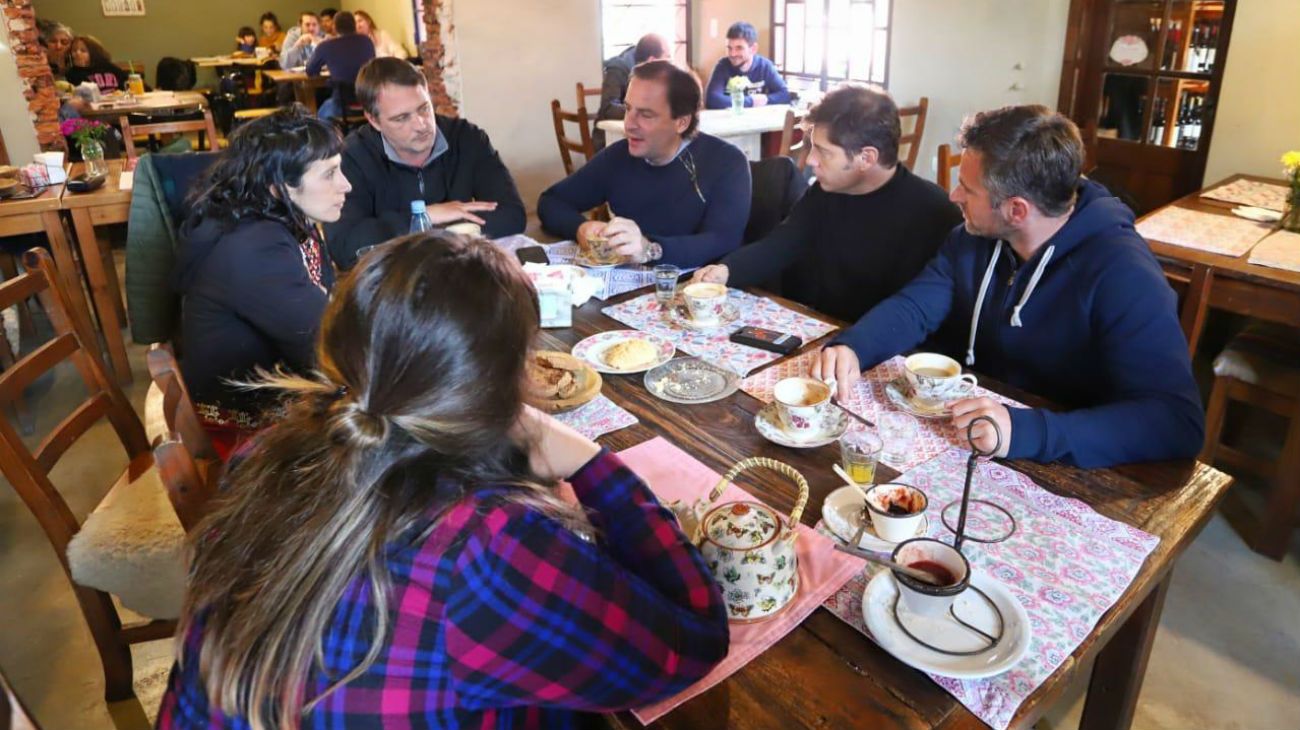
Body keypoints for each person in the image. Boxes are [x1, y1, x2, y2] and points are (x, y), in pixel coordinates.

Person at [155, 232, 731, 728]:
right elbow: (693, 641)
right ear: (506, 389)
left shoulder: (261, 456)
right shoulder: (483, 545)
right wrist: (590, 464)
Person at [814, 105, 1205, 468]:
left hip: (1060, 457)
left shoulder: (1124, 273)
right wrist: (855, 345)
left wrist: (1026, 431)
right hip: (970, 436)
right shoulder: (971, 238)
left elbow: (1176, 421)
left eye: (967, 189)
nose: (953, 196)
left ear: (1017, 210)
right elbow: (916, 306)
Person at [693, 85, 960, 323]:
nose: (810, 160)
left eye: (823, 151)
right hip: (823, 330)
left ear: (866, 158)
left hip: (884, 351)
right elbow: (782, 244)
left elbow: (920, 313)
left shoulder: (933, 213)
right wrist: (726, 271)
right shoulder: (828, 191)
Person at [172, 106, 350, 456]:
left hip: (272, 396)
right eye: (329, 174)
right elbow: (328, 349)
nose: (346, 185)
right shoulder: (254, 247)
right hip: (245, 431)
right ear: (277, 185)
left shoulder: (279, 218)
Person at [538, 60, 750, 268]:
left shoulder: (726, 163)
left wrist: (649, 248)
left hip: (701, 291)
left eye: (645, 115)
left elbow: (723, 240)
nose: (629, 124)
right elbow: (551, 202)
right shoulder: (618, 158)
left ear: (681, 122)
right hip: (630, 290)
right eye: (628, 109)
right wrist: (581, 228)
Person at [325, 58, 526, 268]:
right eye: (402, 118)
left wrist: (428, 231)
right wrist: (426, 216)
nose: (421, 125)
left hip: (461, 271)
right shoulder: (351, 157)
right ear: (373, 121)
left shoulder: (467, 138)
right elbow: (345, 247)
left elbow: (512, 215)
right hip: (394, 283)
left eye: (424, 108)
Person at [594, 33, 670, 149]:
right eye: (667, 57)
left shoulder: (655, 75)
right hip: (609, 139)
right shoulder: (617, 69)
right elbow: (608, 108)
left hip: (638, 134)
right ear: (652, 60)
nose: (669, 64)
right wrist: (643, 112)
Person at [305, 11, 376, 121]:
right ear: (354, 25)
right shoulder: (367, 42)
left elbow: (310, 70)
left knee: (318, 117)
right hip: (369, 102)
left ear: (334, 27)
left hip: (341, 106)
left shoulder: (326, 46)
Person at [704, 21, 790, 110]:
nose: (732, 54)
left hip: (758, 122)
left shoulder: (765, 66)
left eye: (739, 48)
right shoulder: (722, 66)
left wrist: (766, 99)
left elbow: (784, 95)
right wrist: (751, 101)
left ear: (753, 49)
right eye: (729, 48)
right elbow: (711, 100)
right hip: (729, 121)